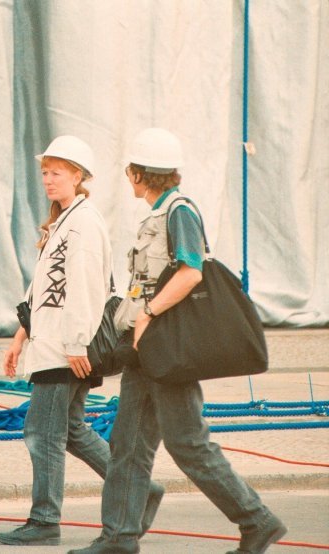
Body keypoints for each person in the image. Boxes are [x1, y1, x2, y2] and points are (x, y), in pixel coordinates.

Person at [69, 128, 287, 554]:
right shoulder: (158, 213)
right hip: (143, 350)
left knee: (188, 443)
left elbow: (191, 271)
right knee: (127, 444)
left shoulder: (179, 212)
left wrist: (149, 315)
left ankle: (257, 520)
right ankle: (119, 536)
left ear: (137, 173)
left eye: (129, 170)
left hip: (166, 348)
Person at [0, 136, 163, 547]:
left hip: (66, 347)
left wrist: (74, 344)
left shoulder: (84, 223)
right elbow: (44, 292)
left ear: (78, 176)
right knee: (69, 429)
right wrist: (21, 336)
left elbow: (87, 287)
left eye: (56, 172)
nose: (48, 179)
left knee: (41, 432)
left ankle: (45, 519)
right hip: (52, 343)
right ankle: (140, 489)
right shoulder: (65, 220)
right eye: (45, 172)